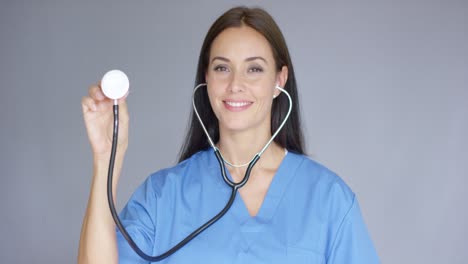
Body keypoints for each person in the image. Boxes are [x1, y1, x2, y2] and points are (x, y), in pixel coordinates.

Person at [78, 6, 379, 264]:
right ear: (207, 78)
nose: (235, 84)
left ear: (279, 80)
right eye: (222, 68)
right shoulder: (163, 195)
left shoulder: (328, 199)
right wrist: (106, 158)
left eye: (254, 69)